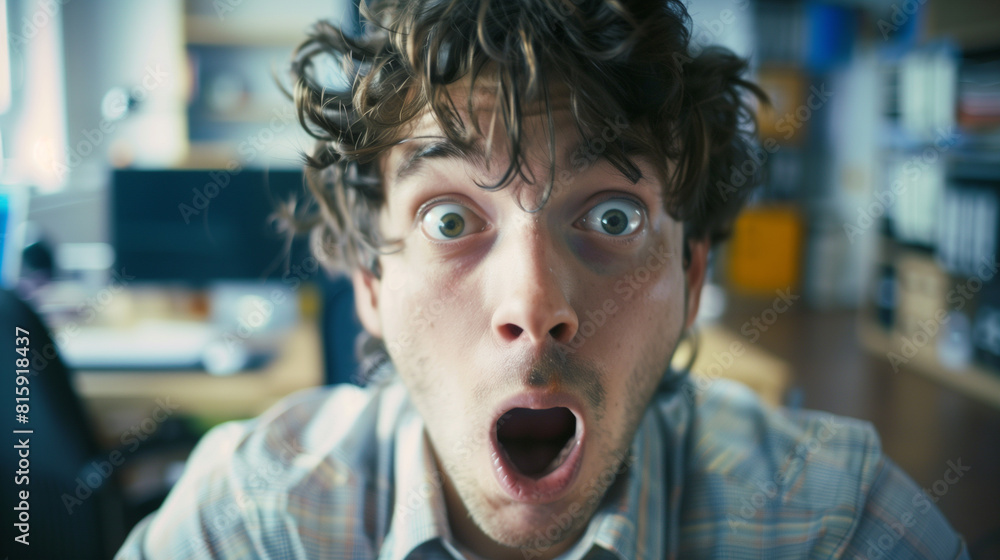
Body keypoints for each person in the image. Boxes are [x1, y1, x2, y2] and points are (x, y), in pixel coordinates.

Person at [116, 0, 970, 558]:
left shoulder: (830, 526)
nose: (533, 306)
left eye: (612, 219)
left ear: (692, 272)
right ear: (371, 285)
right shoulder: (252, 520)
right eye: (449, 222)